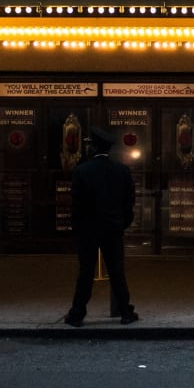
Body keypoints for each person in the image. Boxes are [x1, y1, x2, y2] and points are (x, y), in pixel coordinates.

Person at [64, 128, 137, 327]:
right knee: (116, 270)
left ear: (93, 147)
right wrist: (123, 222)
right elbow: (129, 200)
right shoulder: (121, 170)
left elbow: (76, 204)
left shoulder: (82, 171)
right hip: (113, 227)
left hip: (88, 228)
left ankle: (77, 313)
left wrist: (77, 227)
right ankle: (125, 312)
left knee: (86, 271)